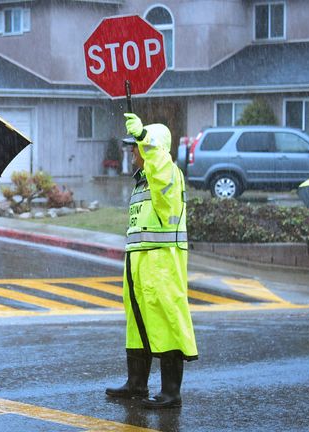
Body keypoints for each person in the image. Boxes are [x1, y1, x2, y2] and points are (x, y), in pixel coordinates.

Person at [105, 113, 198, 409]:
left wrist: (146, 140)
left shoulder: (166, 173)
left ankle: (171, 393)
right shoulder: (142, 181)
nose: (132, 151)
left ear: (151, 147)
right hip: (139, 262)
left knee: (165, 321)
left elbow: (160, 167)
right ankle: (137, 384)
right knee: (138, 321)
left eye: (137, 147)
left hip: (162, 263)